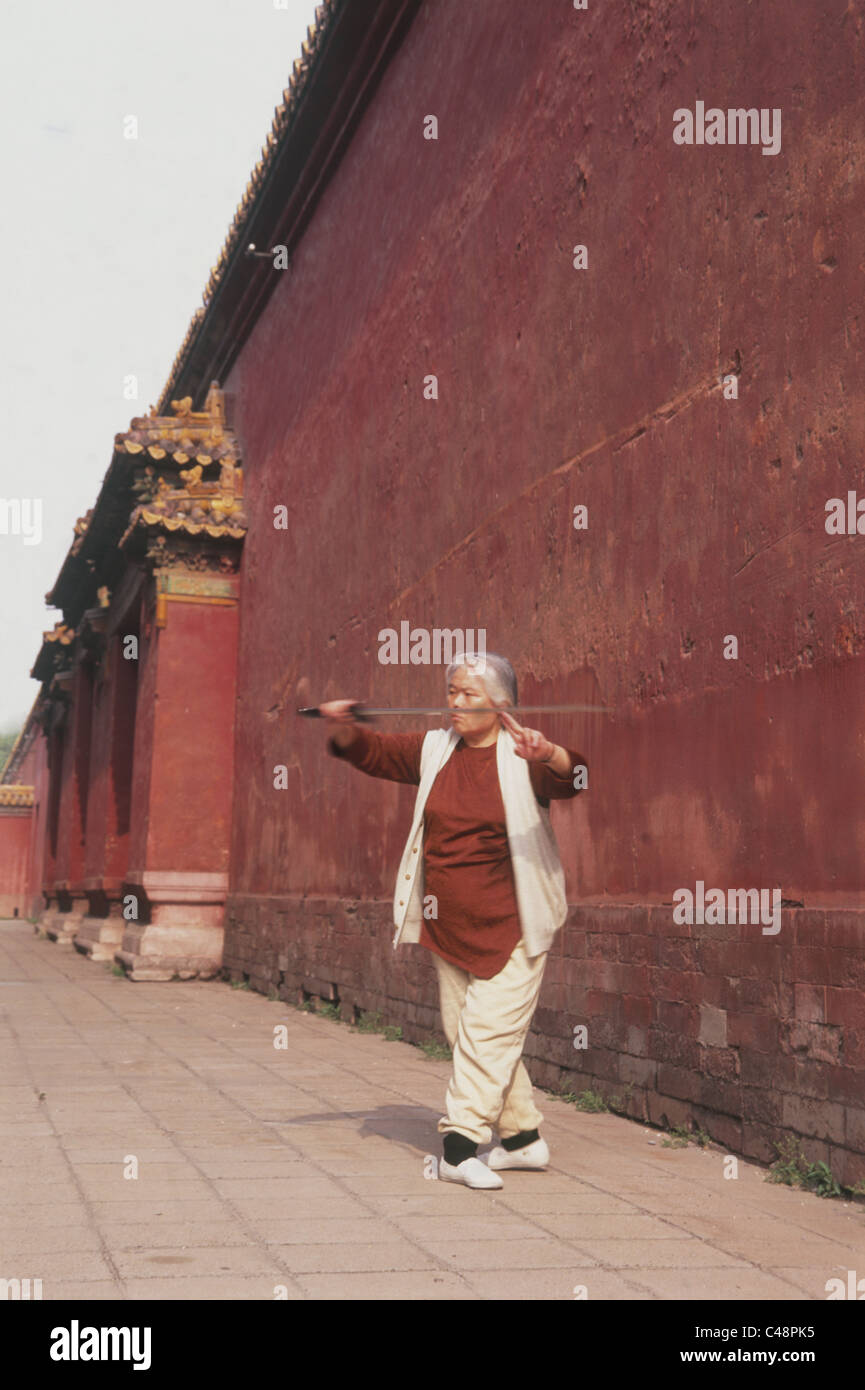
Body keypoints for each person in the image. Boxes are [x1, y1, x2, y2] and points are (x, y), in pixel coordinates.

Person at [319, 652, 587, 1190]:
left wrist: (551, 752)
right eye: (451, 692)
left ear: (502, 703)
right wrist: (343, 729)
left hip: (513, 924)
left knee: (486, 1036)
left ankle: (459, 1146)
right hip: (447, 922)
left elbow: (575, 776)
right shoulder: (435, 749)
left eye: (468, 693)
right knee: (470, 1035)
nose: (455, 703)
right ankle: (522, 1141)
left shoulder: (524, 754)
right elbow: (373, 754)